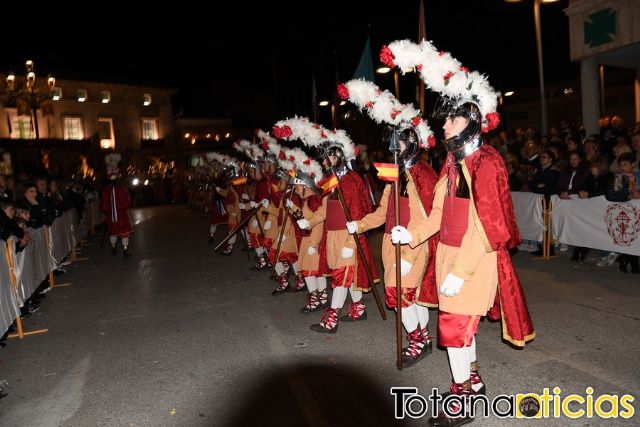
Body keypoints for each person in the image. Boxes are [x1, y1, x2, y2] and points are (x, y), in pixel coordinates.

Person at [347, 124, 439, 367]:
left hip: (412, 245)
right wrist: (361, 225)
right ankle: (425, 338)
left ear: (410, 145)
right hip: (391, 242)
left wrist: (408, 256)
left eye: (398, 145)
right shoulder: (395, 176)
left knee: (398, 293)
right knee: (412, 297)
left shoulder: (422, 174)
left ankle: (417, 340)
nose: (392, 150)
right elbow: (382, 212)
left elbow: (426, 219)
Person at [297, 139, 379, 333]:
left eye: (327, 159)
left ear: (337, 158)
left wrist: (351, 243)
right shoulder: (332, 182)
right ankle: (358, 308)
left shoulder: (350, 180)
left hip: (347, 235)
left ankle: (332, 319)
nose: (324, 163)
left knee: (341, 277)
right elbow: (325, 211)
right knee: (348, 276)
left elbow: (357, 214)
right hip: (333, 235)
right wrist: (309, 222)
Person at [100, 153, 133, 257]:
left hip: (119, 213)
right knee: (117, 230)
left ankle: (121, 248)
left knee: (120, 231)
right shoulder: (109, 190)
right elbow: (105, 203)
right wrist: (107, 209)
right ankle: (117, 247)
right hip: (116, 213)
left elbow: (127, 200)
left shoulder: (118, 188)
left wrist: (107, 209)